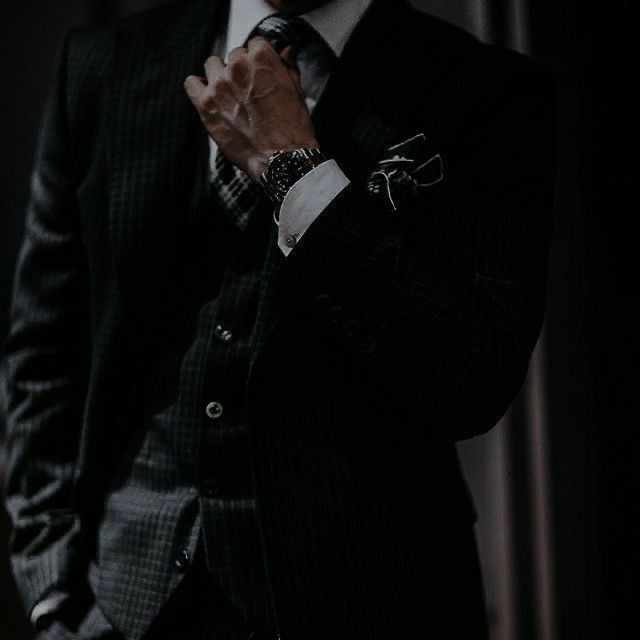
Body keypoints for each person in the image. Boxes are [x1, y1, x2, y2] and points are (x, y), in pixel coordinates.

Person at [2, 0, 555, 638]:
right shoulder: (102, 64)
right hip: (125, 605)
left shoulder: (489, 94)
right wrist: (51, 594)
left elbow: (472, 379)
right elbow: (43, 350)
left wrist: (297, 173)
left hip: (374, 602)